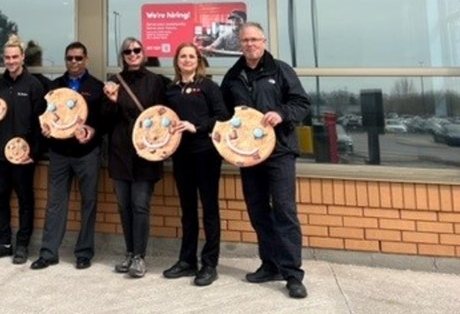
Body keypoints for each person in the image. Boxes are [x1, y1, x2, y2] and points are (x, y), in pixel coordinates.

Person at [220, 22, 311, 299]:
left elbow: (302, 103)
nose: (250, 44)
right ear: (240, 44)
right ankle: (269, 264)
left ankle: (293, 274)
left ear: (264, 41)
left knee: (284, 211)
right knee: (258, 210)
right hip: (249, 156)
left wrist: (281, 113)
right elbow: (224, 116)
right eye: (245, 40)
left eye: (255, 39)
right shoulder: (233, 77)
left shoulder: (280, 70)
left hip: (280, 152)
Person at [31, 41, 105, 271]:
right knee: (55, 203)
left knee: (89, 202)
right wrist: (45, 131)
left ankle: (83, 252)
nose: (74, 62)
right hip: (59, 153)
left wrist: (93, 131)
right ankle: (48, 252)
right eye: (70, 58)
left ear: (86, 60)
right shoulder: (55, 86)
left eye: (78, 58)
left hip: (86, 153)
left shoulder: (96, 86)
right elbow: (45, 116)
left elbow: (103, 121)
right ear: (65, 60)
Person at [162, 42, 231, 286]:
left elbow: (222, 117)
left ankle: (210, 264)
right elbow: (162, 118)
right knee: (188, 211)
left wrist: (197, 126)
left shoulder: (209, 87)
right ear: (177, 61)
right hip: (181, 156)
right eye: (183, 56)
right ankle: (187, 261)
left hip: (206, 154)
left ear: (198, 60)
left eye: (192, 56)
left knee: (209, 209)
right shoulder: (170, 90)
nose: (187, 60)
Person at [101, 37, 169, 278]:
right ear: (122, 56)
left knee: (140, 205)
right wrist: (110, 102)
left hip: (146, 155)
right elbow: (105, 122)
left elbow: (167, 116)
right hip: (120, 153)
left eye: (136, 50)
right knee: (124, 206)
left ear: (144, 53)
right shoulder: (113, 82)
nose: (132, 54)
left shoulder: (157, 82)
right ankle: (130, 253)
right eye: (127, 51)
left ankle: (140, 257)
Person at [0, 34, 44, 265]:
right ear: (3, 59)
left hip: (23, 156)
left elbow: (40, 124)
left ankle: (22, 246)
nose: (11, 61)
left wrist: (34, 154)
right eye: (7, 57)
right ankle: (4, 243)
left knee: (25, 200)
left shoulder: (33, 86)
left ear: (22, 58)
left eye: (15, 57)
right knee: (0, 199)